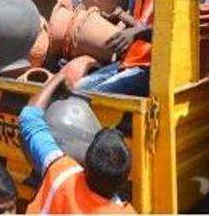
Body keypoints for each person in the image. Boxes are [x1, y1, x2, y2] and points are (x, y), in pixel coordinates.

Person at [19, 73, 135, 213]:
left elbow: (29, 119)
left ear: (85, 163)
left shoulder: (63, 174)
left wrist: (59, 77)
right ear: (125, 179)